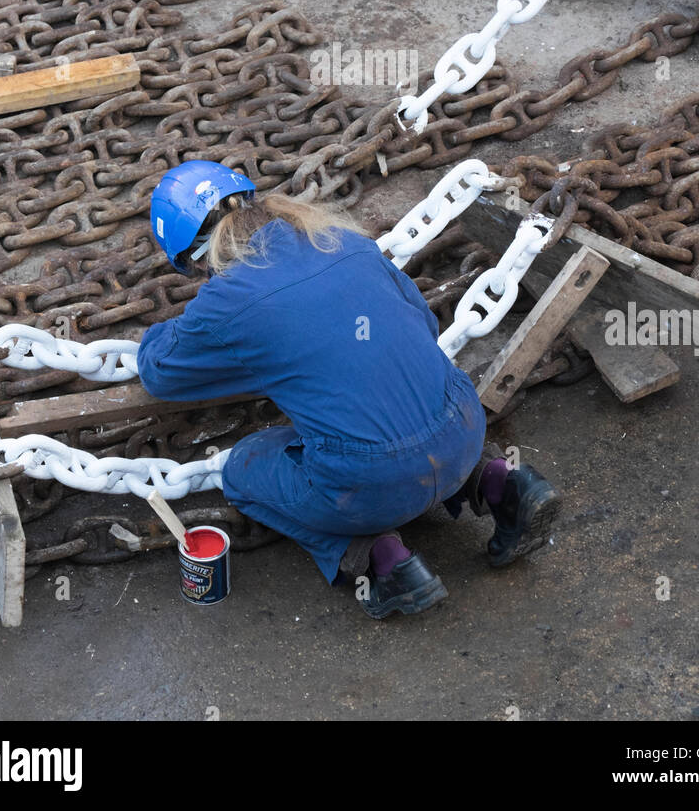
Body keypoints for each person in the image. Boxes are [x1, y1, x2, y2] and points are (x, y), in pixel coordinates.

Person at [138, 160, 562, 619]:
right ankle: (506, 482)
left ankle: (383, 561)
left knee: (244, 470)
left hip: (371, 484)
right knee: (405, 408)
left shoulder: (226, 301)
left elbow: (160, 372)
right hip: (464, 426)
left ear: (198, 254)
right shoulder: (343, 242)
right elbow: (421, 319)